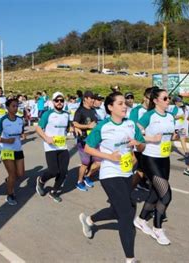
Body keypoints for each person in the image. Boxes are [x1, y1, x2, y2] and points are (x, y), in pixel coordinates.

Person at [79, 92, 145, 263]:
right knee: (126, 213)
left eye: (125, 103)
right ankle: (130, 259)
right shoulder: (102, 126)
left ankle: (89, 220)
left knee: (118, 209)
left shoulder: (131, 124)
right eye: (121, 103)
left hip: (126, 172)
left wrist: (137, 145)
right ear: (110, 107)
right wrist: (108, 157)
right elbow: (88, 148)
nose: (125, 106)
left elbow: (142, 147)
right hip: (109, 172)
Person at [134, 88, 176, 246]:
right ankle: (158, 229)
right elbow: (135, 132)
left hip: (165, 159)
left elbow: (170, 134)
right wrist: (150, 138)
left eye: (169, 98)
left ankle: (140, 219)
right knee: (166, 196)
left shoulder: (170, 117)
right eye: (165, 98)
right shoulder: (149, 116)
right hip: (150, 158)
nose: (168, 100)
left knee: (155, 192)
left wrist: (174, 136)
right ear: (156, 100)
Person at [35, 91, 70, 203]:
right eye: (57, 100)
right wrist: (46, 138)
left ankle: (53, 192)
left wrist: (72, 131)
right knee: (53, 171)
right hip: (51, 147)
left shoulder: (66, 114)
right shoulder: (48, 114)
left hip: (63, 146)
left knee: (63, 172)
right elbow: (38, 128)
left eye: (61, 100)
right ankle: (41, 180)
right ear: (53, 102)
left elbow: (68, 128)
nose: (59, 102)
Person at [0, 98, 26, 205]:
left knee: (20, 174)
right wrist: (6, 140)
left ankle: (9, 181)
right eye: (13, 106)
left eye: (17, 106)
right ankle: (10, 194)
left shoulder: (20, 120)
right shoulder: (2, 120)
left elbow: (21, 132)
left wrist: (23, 135)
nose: (16, 108)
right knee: (12, 174)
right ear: (7, 108)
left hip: (17, 149)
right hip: (6, 149)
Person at [73, 90, 101, 191]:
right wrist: (87, 126)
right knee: (85, 163)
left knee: (99, 162)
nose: (93, 100)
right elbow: (75, 123)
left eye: (94, 98)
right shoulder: (80, 111)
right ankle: (79, 181)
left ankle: (87, 176)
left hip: (94, 140)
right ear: (85, 99)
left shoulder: (93, 110)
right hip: (83, 141)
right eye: (91, 98)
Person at [128, 87, 153, 191]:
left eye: (153, 99)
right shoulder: (136, 110)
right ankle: (125, 189)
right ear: (144, 98)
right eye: (149, 98)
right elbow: (131, 127)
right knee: (133, 168)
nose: (151, 101)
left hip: (150, 145)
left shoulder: (153, 111)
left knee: (142, 169)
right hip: (138, 145)